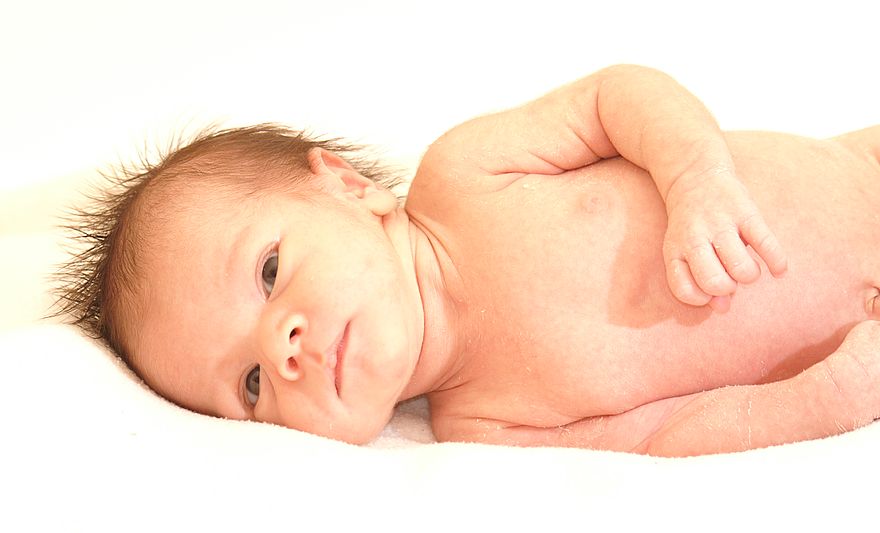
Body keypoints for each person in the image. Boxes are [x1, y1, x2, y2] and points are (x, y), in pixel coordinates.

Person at [55, 64, 880, 456]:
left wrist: (696, 177)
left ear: (345, 185)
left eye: (270, 272)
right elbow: (665, 436)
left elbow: (617, 98)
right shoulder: (482, 428)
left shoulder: (464, 177)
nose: (284, 345)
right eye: (251, 384)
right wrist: (828, 398)